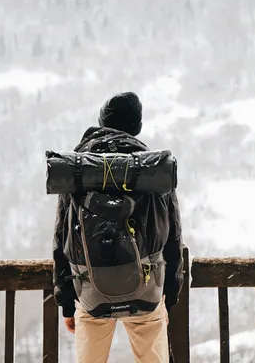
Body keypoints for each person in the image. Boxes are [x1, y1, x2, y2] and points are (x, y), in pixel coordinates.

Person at [53, 92, 184, 363]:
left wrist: (66, 302)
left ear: (102, 123)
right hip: (148, 291)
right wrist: (169, 296)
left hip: (90, 293)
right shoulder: (153, 170)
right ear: (136, 126)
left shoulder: (78, 170)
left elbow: (61, 240)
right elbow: (172, 237)